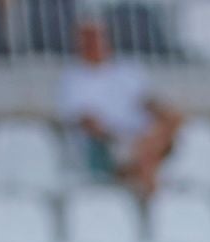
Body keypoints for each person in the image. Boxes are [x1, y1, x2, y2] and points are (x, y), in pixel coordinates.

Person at [57, 18, 181, 199]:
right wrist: (123, 139)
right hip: (103, 148)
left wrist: (162, 116)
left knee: (170, 120)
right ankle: (150, 192)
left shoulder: (127, 71)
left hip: (139, 142)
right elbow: (88, 123)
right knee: (143, 156)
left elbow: (148, 101)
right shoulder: (72, 80)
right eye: (87, 37)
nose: (94, 42)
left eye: (97, 36)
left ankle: (144, 176)